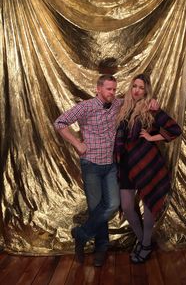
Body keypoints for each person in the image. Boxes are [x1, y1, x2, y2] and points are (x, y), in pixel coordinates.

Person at [54, 74, 122, 267]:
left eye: (114, 89)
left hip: (109, 165)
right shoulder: (86, 107)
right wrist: (77, 143)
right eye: (109, 89)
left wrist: (152, 101)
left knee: (111, 205)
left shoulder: (117, 103)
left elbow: (135, 101)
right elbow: (59, 123)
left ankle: (81, 234)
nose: (112, 93)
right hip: (91, 164)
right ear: (98, 89)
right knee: (96, 208)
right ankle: (101, 248)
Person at [114, 74, 182, 264]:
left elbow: (175, 129)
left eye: (141, 88)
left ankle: (144, 244)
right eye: (134, 86)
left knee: (149, 204)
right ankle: (144, 241)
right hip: (126, 164)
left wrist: (152, 138)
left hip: (147, 164)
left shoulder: (151, 108)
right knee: (127, 207)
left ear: (147, 90)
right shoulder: (123, 107)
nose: (136, 90)